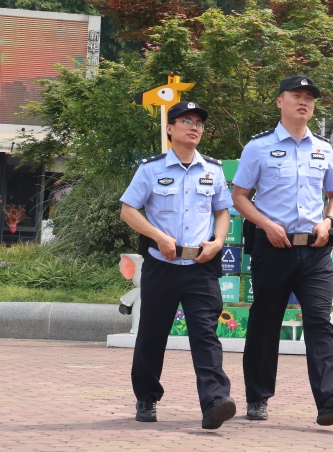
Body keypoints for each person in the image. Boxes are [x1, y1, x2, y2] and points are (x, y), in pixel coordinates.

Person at [232, 75, 333, 427]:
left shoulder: (323, 148)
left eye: (309, 98)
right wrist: (267, 224)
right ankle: (257, 396)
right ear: (279, 101)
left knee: (319, 321)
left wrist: (328, 221)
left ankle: (331, 399)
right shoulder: (258, 147)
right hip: (273, 247)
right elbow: (239, 197)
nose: (303, 102)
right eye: (296, 96)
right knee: (265, 321)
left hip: (316, 250)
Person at [119, 100, 237, 429]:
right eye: (186, 121)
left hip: (200, 266)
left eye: (199, 122)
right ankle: (146, 397)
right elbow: (128, 210)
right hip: (162, 264)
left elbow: (223, 211)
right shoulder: (151, 169)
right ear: (170, 129)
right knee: (152, 335)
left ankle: (214, 402)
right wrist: (157, 235)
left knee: (205, 335)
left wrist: (218, 241)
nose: (194, 127)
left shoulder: (213, 170)